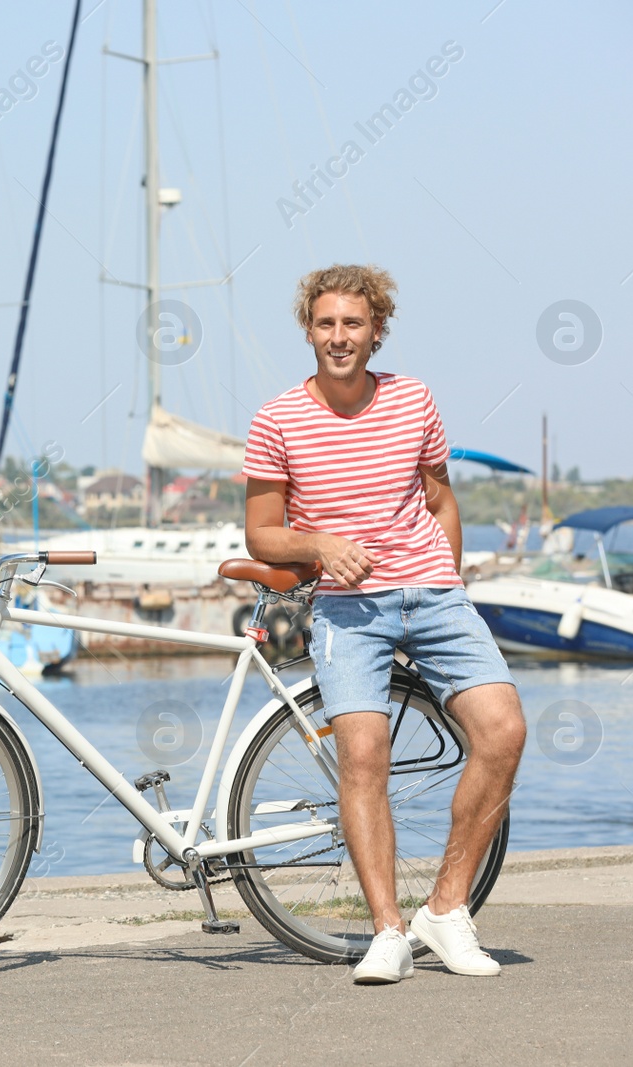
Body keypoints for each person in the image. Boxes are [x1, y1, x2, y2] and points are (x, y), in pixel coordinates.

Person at [241, 264, 526, 984]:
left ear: (376, 330)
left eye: (354, 324)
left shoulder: (414, 399)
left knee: (504, 730)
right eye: (327, 323)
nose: (340, 337)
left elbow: (440, 497)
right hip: (346, 612)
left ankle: (447, 907)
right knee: (364, 756)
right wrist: (318, 546)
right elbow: (261, 535)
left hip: (432, 594)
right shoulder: (277, 418)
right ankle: (389, 932)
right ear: (308, 329)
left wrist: (449, 581)